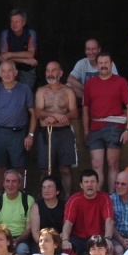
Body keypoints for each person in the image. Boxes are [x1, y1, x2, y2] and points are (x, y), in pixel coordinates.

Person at [0, 60, 36, 194]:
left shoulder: (24, 89)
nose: (7, 74)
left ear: (16, 72)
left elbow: (33, 114)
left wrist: (30, 135)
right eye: (3, 71)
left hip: (18, 133)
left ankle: (20, 198)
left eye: (10, 71)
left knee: (20, 168)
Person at [83, 51, 128, 190]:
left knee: (113, 164)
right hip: (95, 127)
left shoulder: (121, 81)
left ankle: (113, 197)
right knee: (96, 165)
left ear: (111, 64)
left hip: (114, 126)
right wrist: (86, 131)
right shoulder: (90, 83)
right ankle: (97, 197)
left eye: (106, 62)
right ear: (97, 65)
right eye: (100, 63)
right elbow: (85, 109)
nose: (103, 65)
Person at [35, 60, 79, 194]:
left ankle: (67, 199)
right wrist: (55, 115)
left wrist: (58, 118)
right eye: (48, 71)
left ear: (60, 73)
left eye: (53, 70)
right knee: (45, 169)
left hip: (64, 132)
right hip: (46, 132)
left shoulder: (68, 91)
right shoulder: (41, 91)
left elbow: (74, 112)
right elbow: (38, 112)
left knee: (65, 168)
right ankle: (44, 197)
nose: (50, 74)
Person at [61, 169, 114, 255]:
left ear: (97, 183)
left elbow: (109, 220)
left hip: (98, 238)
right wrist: (65, 240)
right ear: (81, 185)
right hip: (77, 238)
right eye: (86, 182)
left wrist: (108, 238)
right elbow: (68, 222)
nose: (89, 185)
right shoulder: (74, 200)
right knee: (65, 253)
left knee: (109, 252)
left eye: (92, 181)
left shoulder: (105, 198)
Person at [0, 169, 34, 255]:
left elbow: (28, 229)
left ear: (19, 184)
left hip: (21, 238)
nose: (10, 184)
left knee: (22, 250)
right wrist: (4, 241)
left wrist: (17, 240)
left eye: (14, 181)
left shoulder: (28, 200)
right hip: (2, 237)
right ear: (3, 183)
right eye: (7, 181)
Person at [67, 38, 117, 103]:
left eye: (93, 49)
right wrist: (86, 89)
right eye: (88, 49)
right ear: (85, 51)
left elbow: (116, 81)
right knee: (68, 86)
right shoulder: (81, 63)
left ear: (99, 50)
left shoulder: (107, 62)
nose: (91, 52)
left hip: (104, 95)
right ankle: (90, 101)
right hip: (86, 95)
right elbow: (70, 79)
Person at [0, 8, 38, 89]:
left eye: (17, 21)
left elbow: (30, 54)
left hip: (27, 70)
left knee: (26, 92)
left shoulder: (30, 33)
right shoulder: (5, 34)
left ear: (23, 23)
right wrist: (25, 60)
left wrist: (9, 55)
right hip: (9, 69)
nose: (14, 24)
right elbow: (3, 57)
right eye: (12, 22)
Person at [29, 175, 65, 244]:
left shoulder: (64, 206)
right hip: (40, 243)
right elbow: (35, 231)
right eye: (44, 187)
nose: (46, 190)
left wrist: (56, 243)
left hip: (59, 242)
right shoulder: (36, 207)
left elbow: (66, 230)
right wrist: (43, 244)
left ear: (57, 191)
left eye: (49, 187)